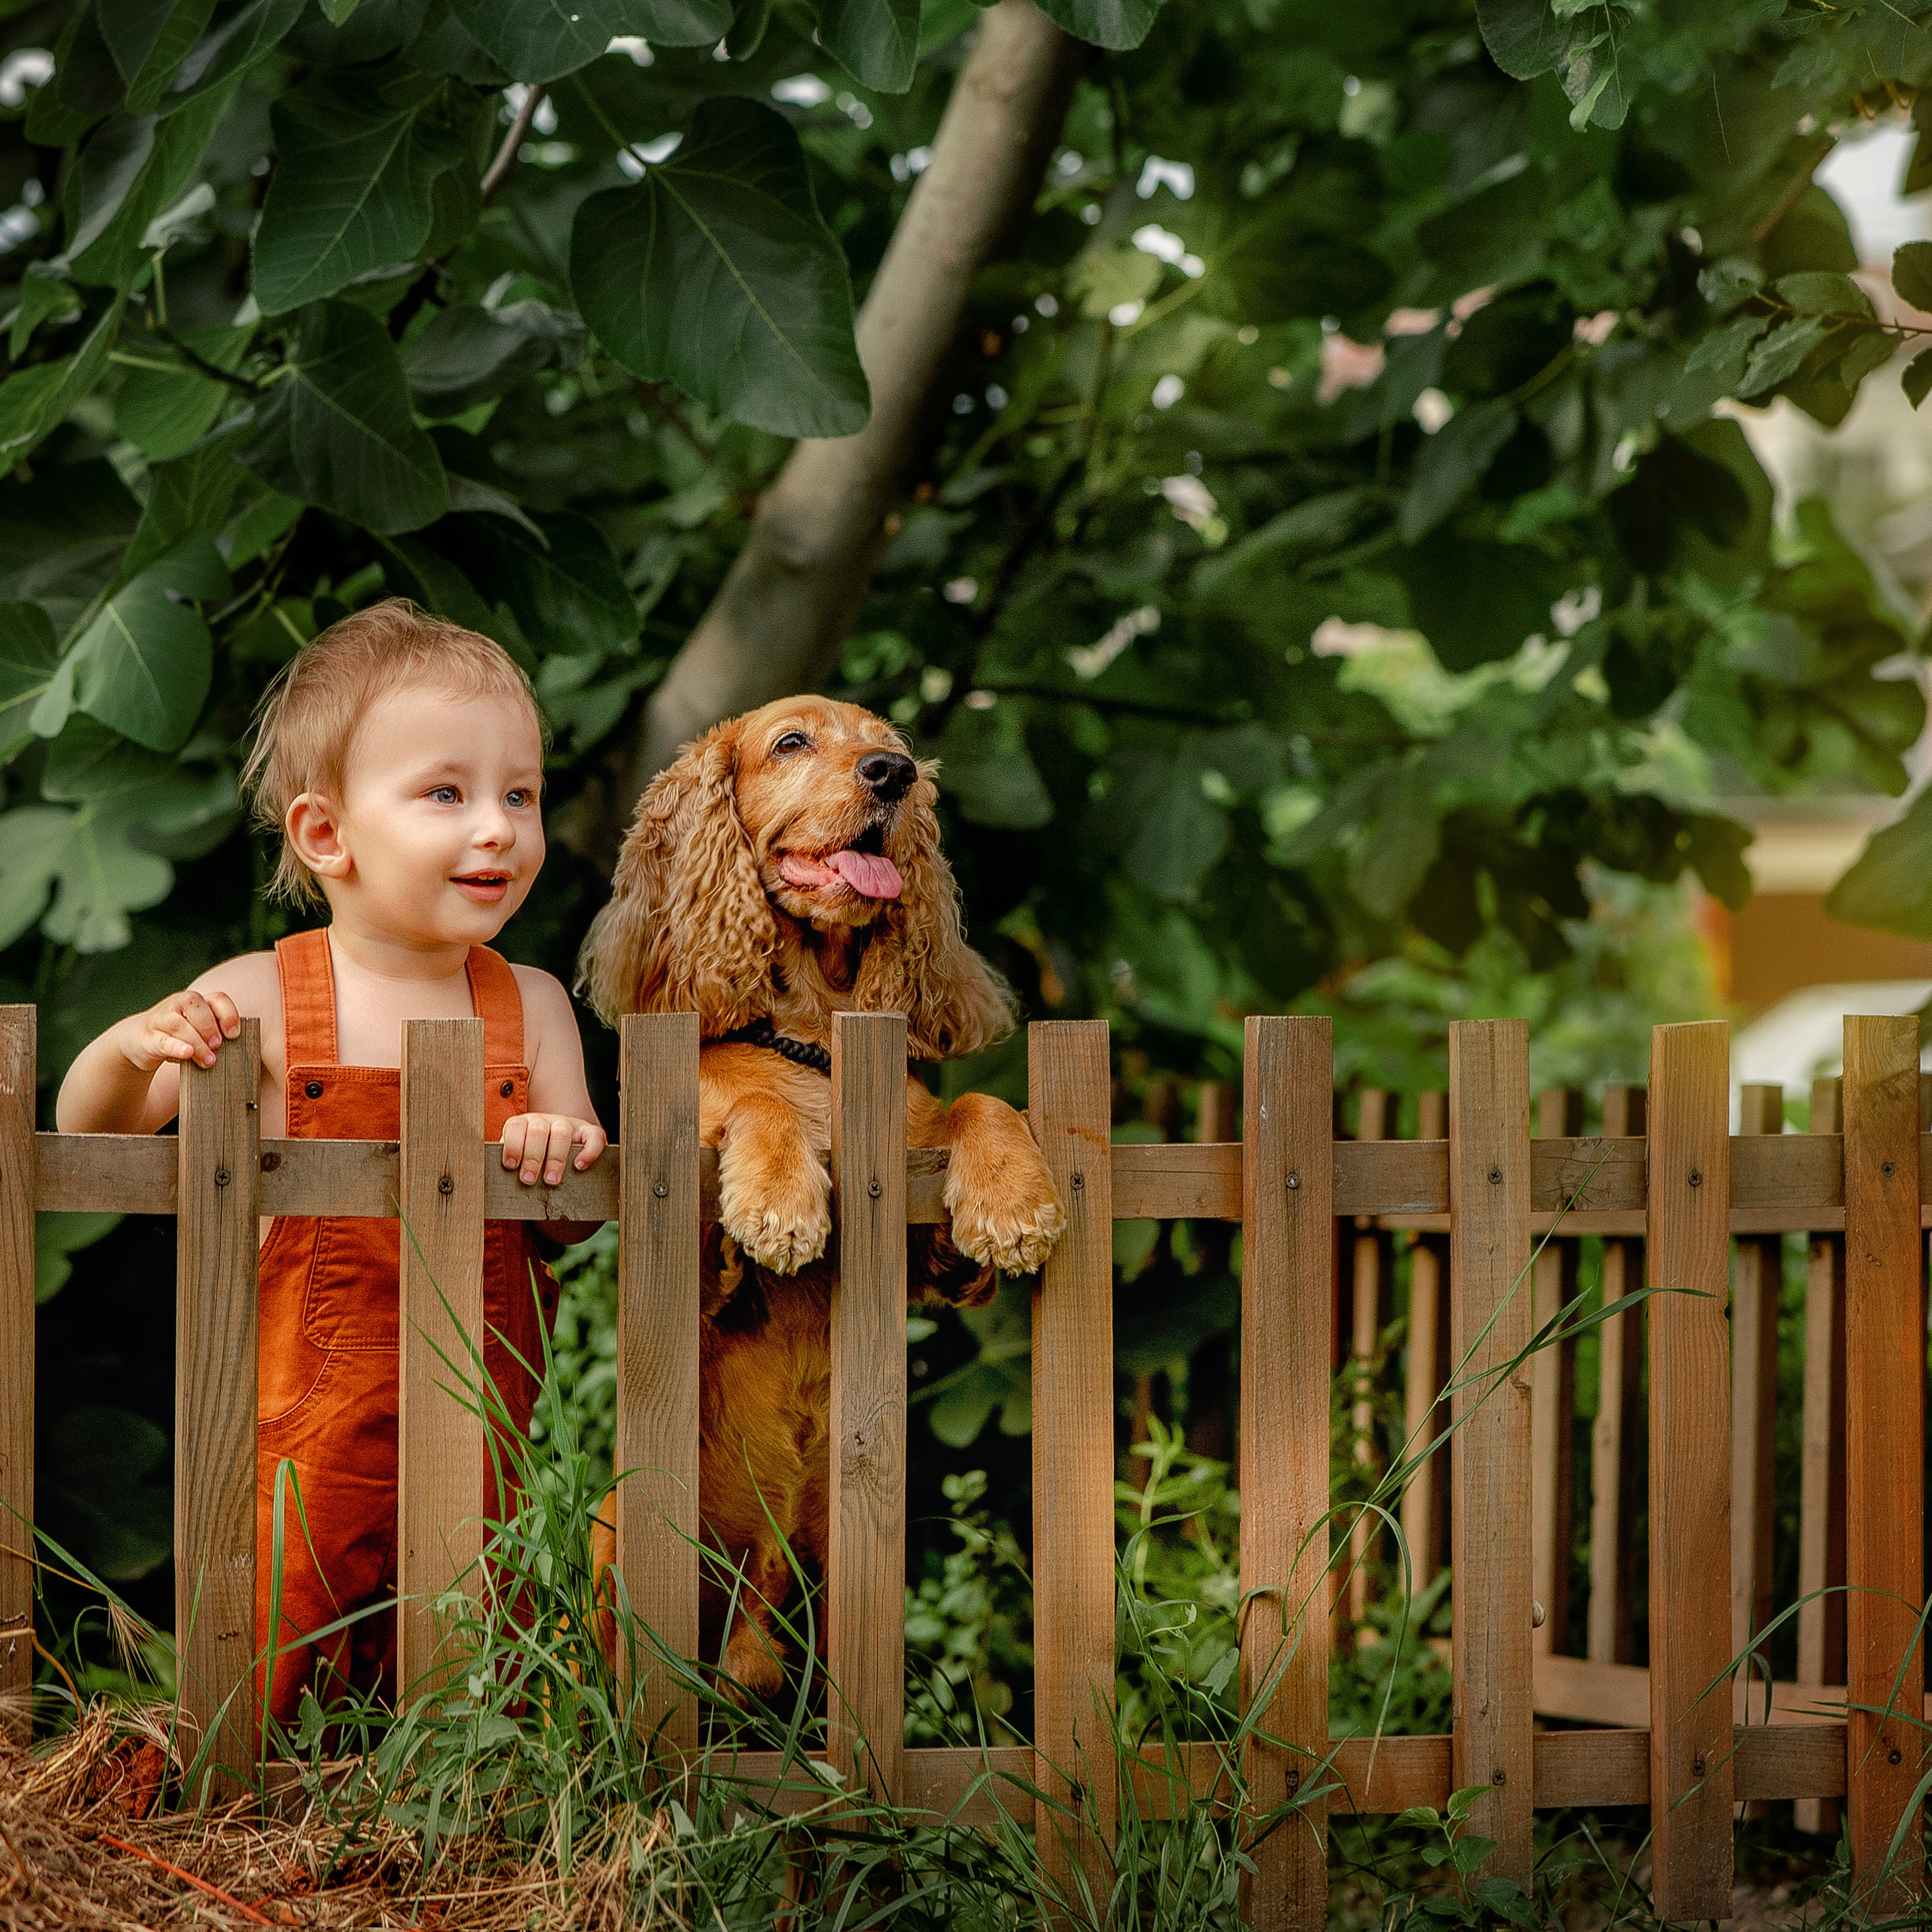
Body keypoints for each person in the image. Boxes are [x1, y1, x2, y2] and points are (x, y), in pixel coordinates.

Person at [56, 599, 609, 1725]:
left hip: (482, 1417)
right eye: (446, 793)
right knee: (274, 1643)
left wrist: (566, 1151)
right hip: (301, 1428)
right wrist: (129, 1046)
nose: (498, 826)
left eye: (521, 794)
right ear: (326, 835)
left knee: (468, 1648)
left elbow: (571, 1217)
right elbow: (98, 1138)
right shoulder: (265, 996)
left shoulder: (535, 1008)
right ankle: (251, 1812)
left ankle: (449, 1828)